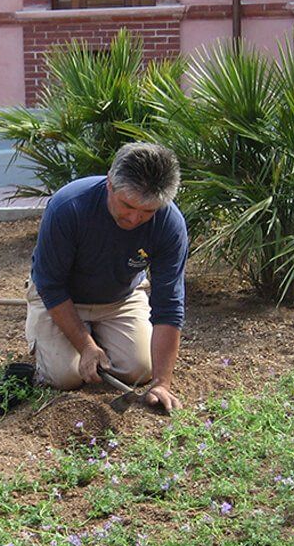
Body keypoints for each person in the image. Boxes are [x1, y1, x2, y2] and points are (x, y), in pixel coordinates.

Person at [26, 142, 189, 413]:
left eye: (147, 212)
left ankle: (96, 336)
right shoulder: (69, 207)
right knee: (65, 377)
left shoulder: (170, 224)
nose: (135, 218)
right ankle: (75, 337)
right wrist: (86, 346)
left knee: (140, 369)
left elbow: (169, 305)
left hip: (120, 298)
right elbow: (51, 285)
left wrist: (162, 383)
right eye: (128, 205)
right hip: (60, 297)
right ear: (110, 184)